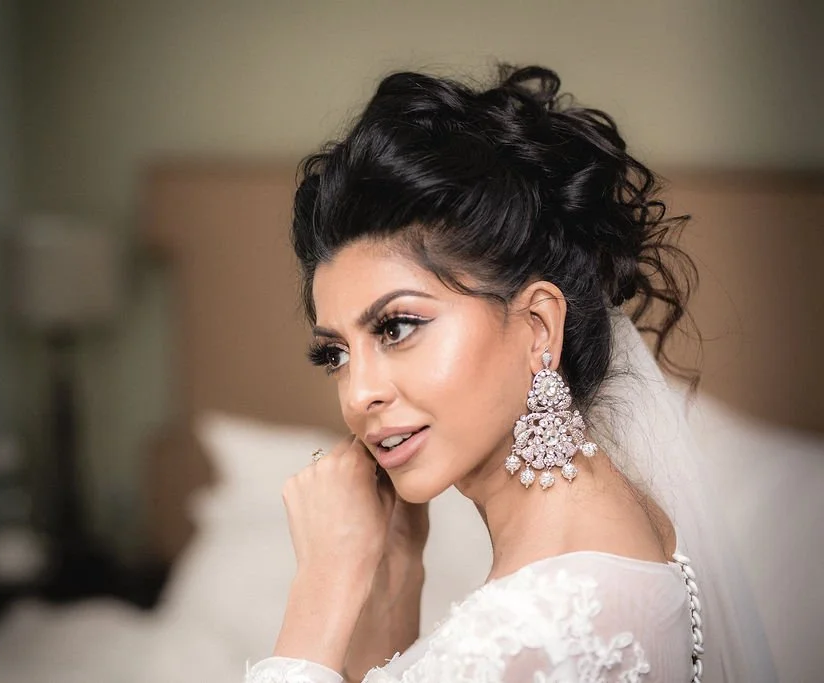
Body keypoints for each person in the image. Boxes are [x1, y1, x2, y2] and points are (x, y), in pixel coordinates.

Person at [245, 65, 776, 682]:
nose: (360, 395)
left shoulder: (538, 636)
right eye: (335, 354)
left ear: (538, 327)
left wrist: (322, 588)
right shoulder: (617, 542)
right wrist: (397, 578)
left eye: (397, 327)